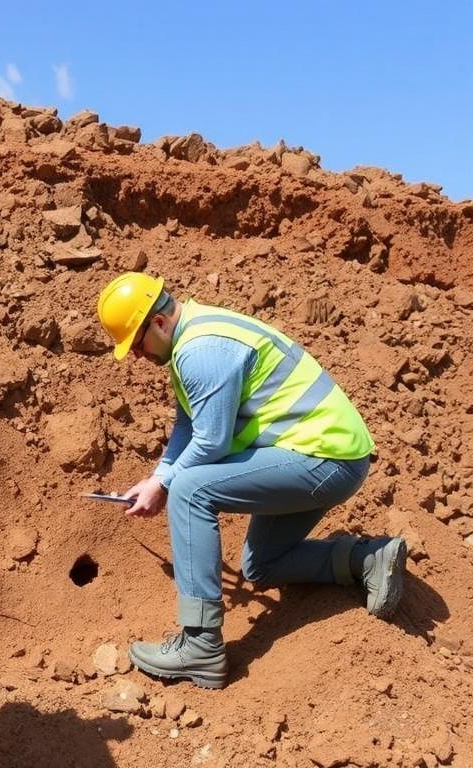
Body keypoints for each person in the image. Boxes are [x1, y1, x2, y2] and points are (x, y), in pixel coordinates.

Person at [96, 272, 406, 690]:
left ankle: (200, 644)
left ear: (160, 323)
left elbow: (212, 441)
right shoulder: (194, 335)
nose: (136, 356)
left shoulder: (201, 351)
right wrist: (157, 477)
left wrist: (166, 486)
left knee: (189, 491)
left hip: (324, 457)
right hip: (325, 454)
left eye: (136, 344)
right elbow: (188, 426)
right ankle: (366, 560)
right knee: (261, 565)